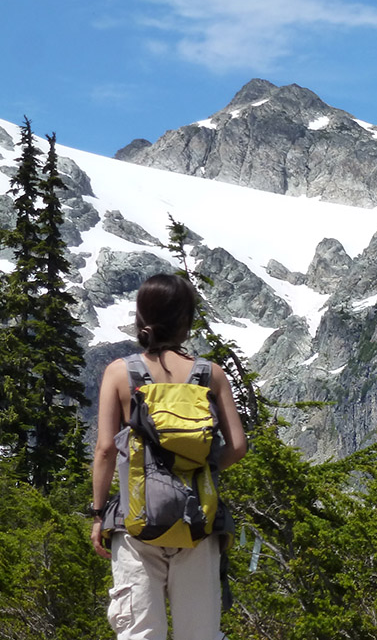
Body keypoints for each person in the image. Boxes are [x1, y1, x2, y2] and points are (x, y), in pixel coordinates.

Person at [89, 273, 247, 640]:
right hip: (198, 523)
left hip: (137, 523)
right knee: (200, 634)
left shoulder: (120, 373)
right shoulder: (211, 375)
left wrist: (99, 515)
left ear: (141, 318)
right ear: (187, 322)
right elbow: (237, 446)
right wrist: (199, 468)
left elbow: (105, 450)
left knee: (141, 633)